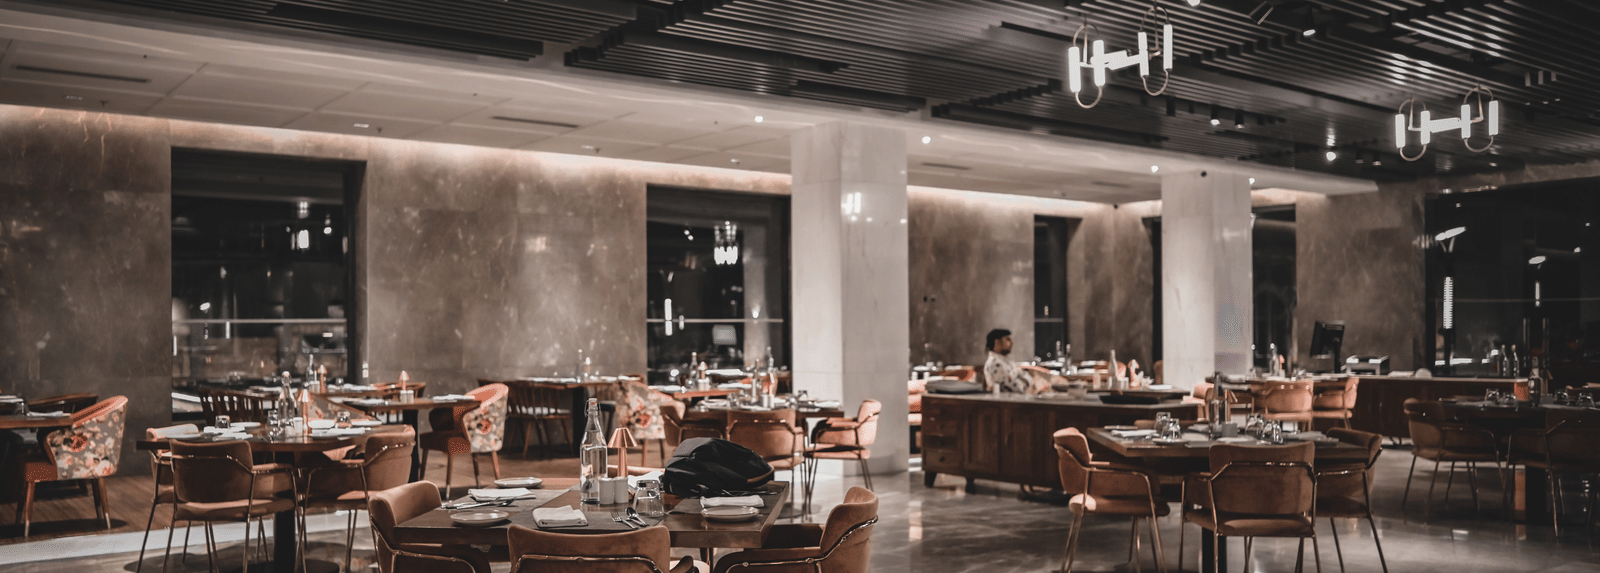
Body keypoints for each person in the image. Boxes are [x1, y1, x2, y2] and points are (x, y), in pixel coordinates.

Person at [983, 329, 1055, 394]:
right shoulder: (995, 363)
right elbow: (1018, 388)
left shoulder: (1005, 361)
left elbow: (1022, 375)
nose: (1012, 343)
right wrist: (1028, 380)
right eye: (1007, 339)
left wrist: (1023, 379)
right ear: (997, 342)